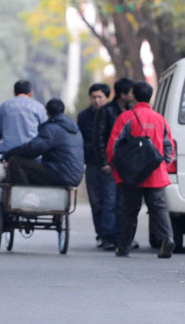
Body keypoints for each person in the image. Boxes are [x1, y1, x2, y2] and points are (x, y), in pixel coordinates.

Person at [106, 80, 176, 259]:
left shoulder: (126, 117)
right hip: (155, 173)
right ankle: (167, 239)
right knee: (158, 208)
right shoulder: (159, 119)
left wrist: (118, 168)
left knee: (130, 210)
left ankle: (124, 247)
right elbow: (169, 146)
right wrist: (163, 165)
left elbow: (113, 147)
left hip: (131, 174)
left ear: (134, 96)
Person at [2, 98, 85, 187]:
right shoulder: (75, 130)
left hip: (60, 175)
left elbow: (33, 148)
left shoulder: (52, 128)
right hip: (74, 176)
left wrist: (8, 154)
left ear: (47, 112)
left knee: (15, 161)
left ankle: (24, 196)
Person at [91, 77, 134, 250]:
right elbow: (99, 138)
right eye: (131, 92)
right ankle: (108, 237)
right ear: (123, 94)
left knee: (124, 203)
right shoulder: (106, 111)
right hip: (110, 163)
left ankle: (122, 237)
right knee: (109, 201)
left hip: (127, 165)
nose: (133, 95)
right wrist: (104, 162)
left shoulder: (132, 110)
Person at [77, 83, 111, 247]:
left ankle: (111, 235)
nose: (97, 100)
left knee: (111, 202)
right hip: (92, 163)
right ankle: (101, 235)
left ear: (107, 98)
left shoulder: (113, 113)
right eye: (94, 97)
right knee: (96, 202)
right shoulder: (84, 117)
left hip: (111, 165)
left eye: (100, 97)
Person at [0, 79, 47, 160]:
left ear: (14, 92)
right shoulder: (39, 107)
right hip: (33, 154)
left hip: (9, 154)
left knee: (1, 172)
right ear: (31, 93)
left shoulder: (4, 107)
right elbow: (46, 132)